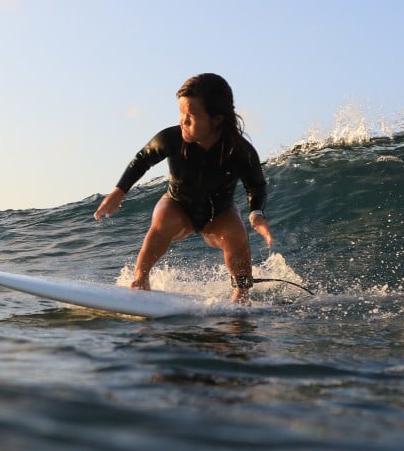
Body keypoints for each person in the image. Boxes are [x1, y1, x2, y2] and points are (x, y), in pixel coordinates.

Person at [94, 73, 273, 304]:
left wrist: (257, 214)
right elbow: (142, 160)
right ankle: (140, 279)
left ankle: (242, 293)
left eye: (191, 115)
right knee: (164, 220)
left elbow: (256, 185)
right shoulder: (171, 139)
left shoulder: (240, 150)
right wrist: (119, 192)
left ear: (217, 119)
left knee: (236, 234)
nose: (183, 121)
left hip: (219, 212)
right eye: (181, 114)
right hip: (178, 203)